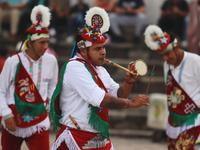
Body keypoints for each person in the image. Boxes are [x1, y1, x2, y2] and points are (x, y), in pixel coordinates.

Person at [50, 6, 149, 150]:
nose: (103, 52)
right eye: (97, 49)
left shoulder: (100, 69)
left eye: (103, 47)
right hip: (76, 137)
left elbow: (119, 94)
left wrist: (128, 82)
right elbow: (102, 100)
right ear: (83, 50)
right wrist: (133, 103)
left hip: (99, 138)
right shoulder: (74, 67)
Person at [0, 5, 58, 150]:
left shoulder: (51, 61)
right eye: (41, 42)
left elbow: (52, 88)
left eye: (47, 42)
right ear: (29, 43)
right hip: (13, 119)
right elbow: (0, 90)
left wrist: (51, 108)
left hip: (39, 119)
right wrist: (6, 114)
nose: (46, 47)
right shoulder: (13, 62)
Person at [144, 25, 200, 150]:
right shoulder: (166, 65)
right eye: (162, 55)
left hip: (193, 117)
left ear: (176, 47)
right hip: (174, 117)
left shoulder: (195, 61)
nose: (165, 58)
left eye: (167, 54)